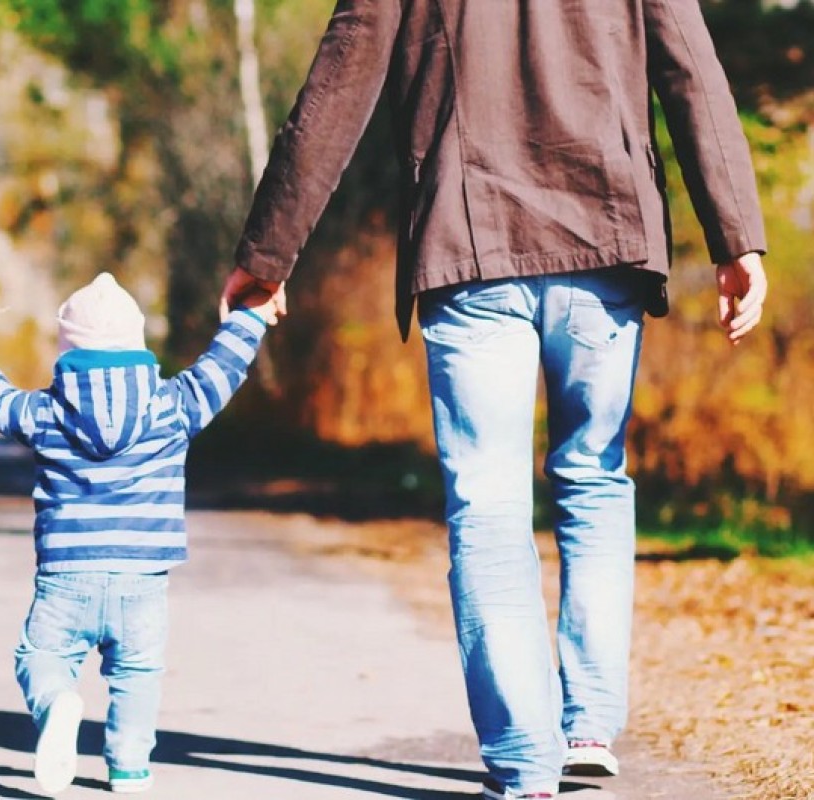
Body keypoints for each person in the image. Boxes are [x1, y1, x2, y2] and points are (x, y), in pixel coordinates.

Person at [219, 2, 768, 798]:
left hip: (468, 243)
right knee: (593, 477)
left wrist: (268, 253)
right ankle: (588, 725)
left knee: (488, 506)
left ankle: (524, 765)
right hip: (606, 235)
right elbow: (690, 67)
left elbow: (340, 77)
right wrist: (735, 235)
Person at [0, 272, 275, 795]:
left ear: (67, 351)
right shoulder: (174, 405)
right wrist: (251, 315)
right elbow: (222, 367)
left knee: (41, 657)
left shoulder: (46, 411)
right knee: (137, 673)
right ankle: (129, 767)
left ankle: (56, 703)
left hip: (66, 577)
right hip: (143, 578)